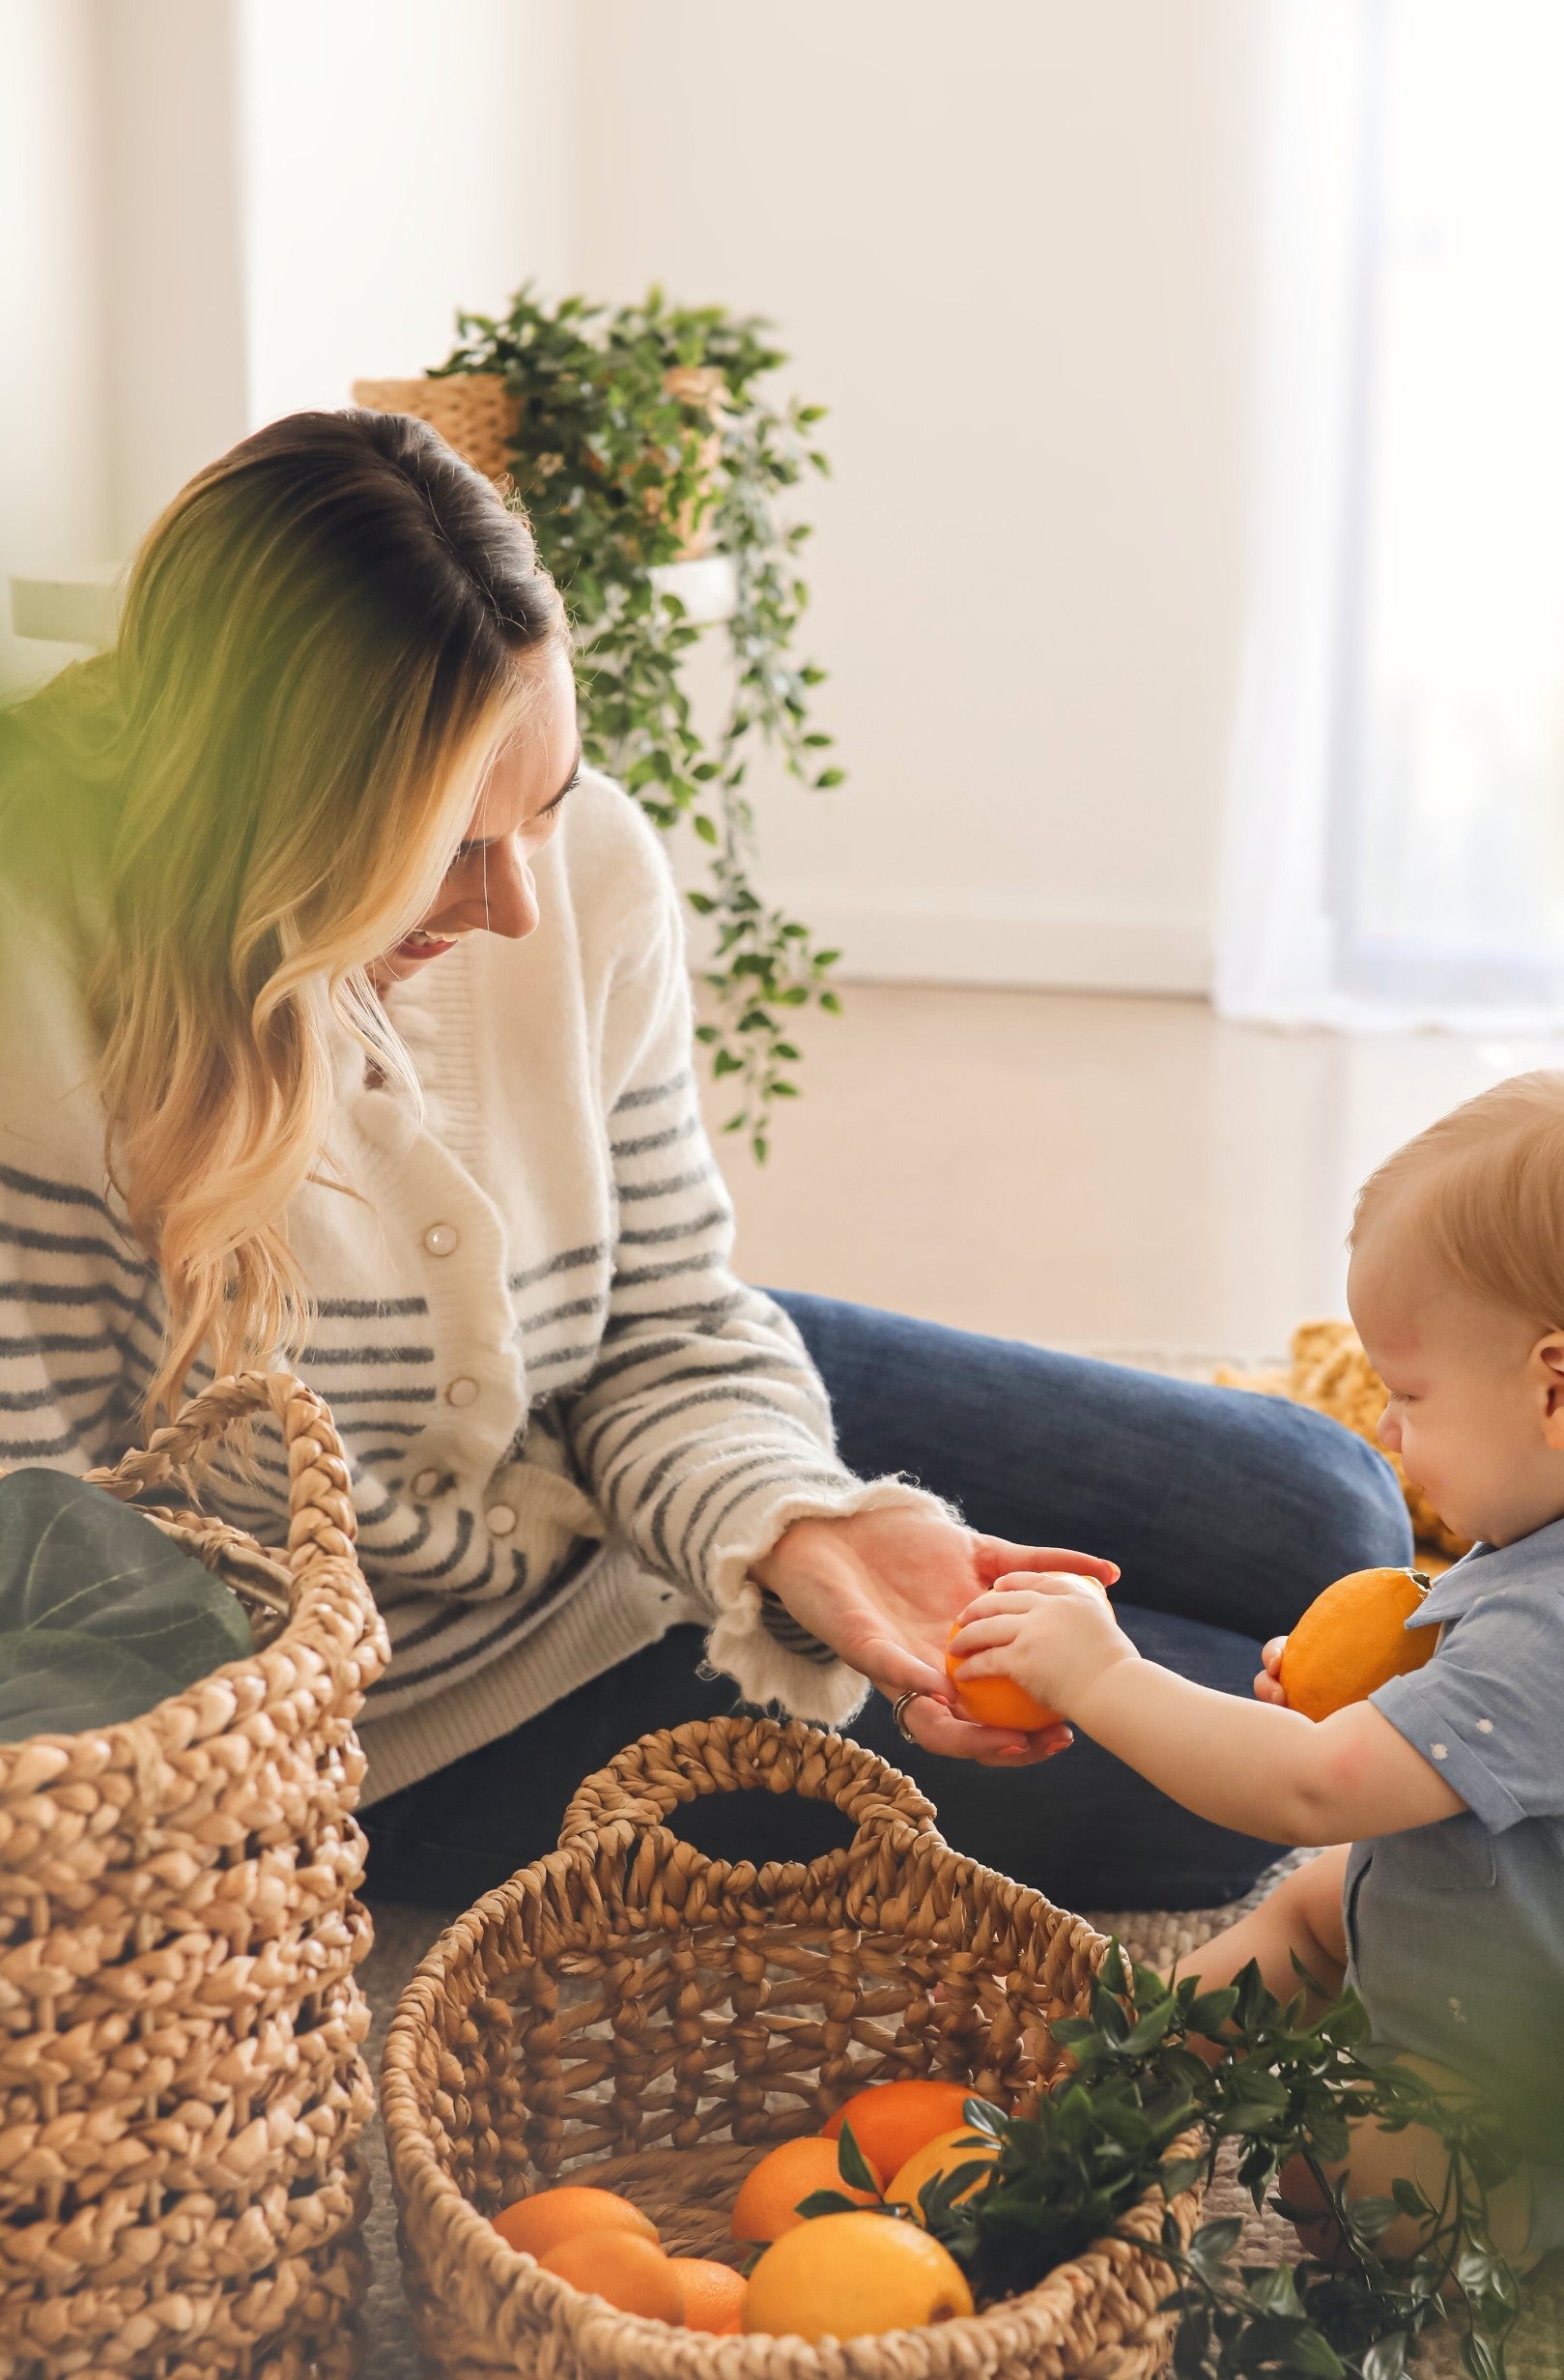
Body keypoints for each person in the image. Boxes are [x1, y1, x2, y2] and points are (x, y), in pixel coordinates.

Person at [0, 407, 1408, 1914]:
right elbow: (56, 1584)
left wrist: (800, 1521)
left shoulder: (580, 870)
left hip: (607, 1418)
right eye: (449, 848)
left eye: (543, 808)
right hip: (415, 1698)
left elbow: (659, 1315)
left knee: (1327, 1510)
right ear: (259, 820)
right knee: (1223, 1780)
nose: (520, 907)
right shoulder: (43, 1000)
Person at [951, 1073, 1564, 2256]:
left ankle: (1494, 2194)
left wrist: (1099, 1676)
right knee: (1320, 1901)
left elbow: (1311, 1786)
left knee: (1343, 2180)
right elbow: (1501, 1721)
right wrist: (1390, 1701)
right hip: (1520, 1931)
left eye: (1408, 1394)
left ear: (1556, 1389)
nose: (1383, 1427)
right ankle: (1144, 2056)